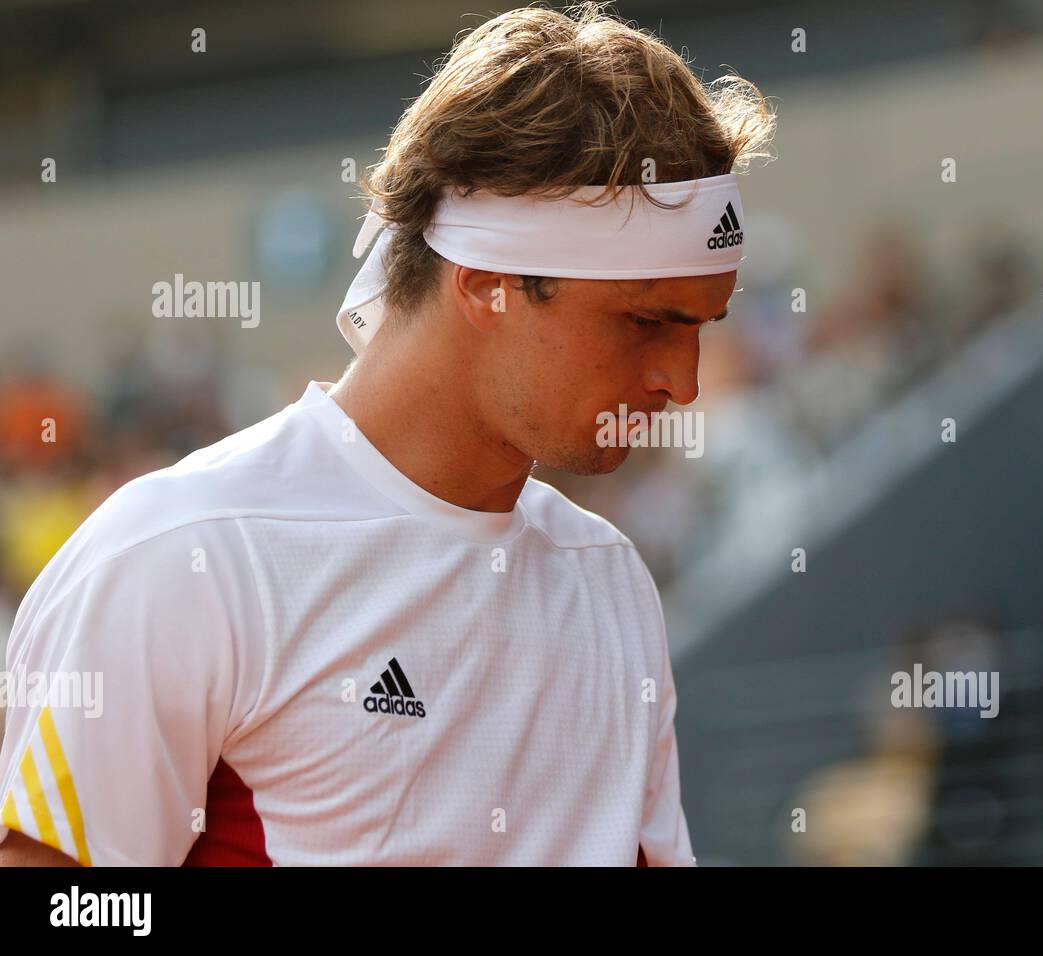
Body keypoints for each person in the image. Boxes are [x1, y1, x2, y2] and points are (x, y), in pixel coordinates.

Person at [0, 3, 774, 866]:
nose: (685, 380)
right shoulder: (181, 558)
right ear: (486, 286)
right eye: (644, 322)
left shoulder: (609, 577)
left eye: (701, 326)